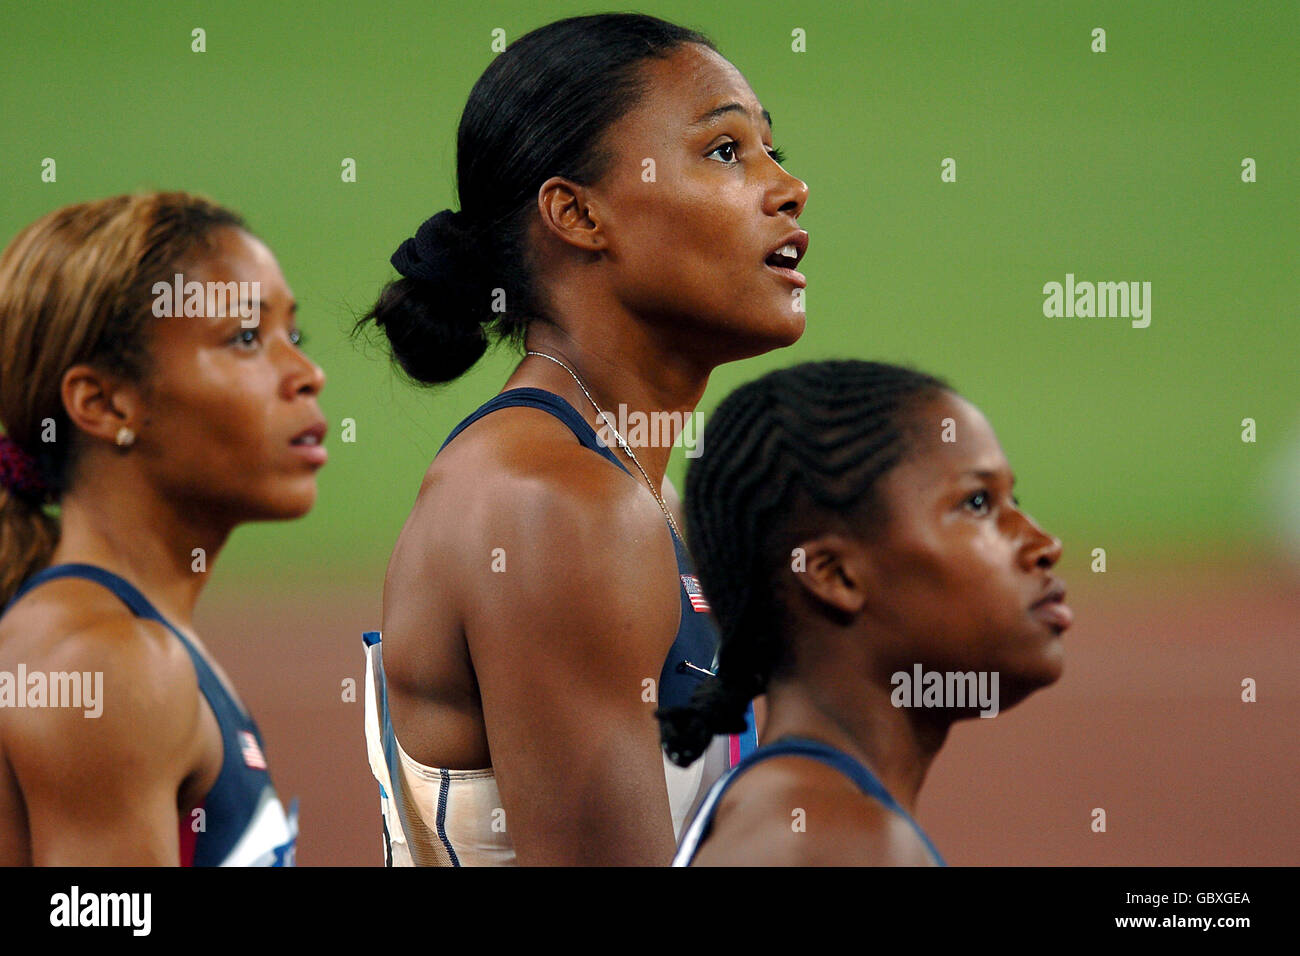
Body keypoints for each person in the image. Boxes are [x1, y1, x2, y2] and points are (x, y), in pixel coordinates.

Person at [355, 12, 810, 866]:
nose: (788, 187)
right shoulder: (553, 505)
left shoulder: (639, 496)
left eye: (774, 151)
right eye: (725, 151)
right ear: (576, 213)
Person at [0, 192, 325, 865]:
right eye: (244, 339)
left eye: (294, 337)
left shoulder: (134, 640)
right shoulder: (106, 663)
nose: (306, 375)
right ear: (105, 403)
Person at [660, 360, 1072, 865]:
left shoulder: (800, 814)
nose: (1045, 545)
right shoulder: (831, 841)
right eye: (978, 503)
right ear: (836, 575)